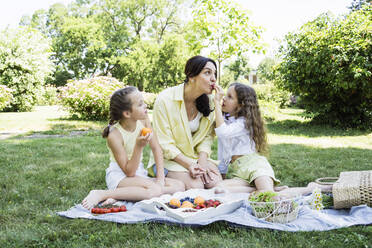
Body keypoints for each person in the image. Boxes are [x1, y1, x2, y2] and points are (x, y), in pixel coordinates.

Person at [212, 83, 331, 197]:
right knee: (219, 188)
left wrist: (216, 103)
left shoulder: (243, 123)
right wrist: (222, 173)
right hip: (240, 172)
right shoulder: (225, 122)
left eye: (230, 97)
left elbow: (222, 133)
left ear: (241, 105)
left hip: (255, 166)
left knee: (269, 196)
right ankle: (262, 189)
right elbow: (223, 151)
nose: (224, 99)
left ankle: (311, 188)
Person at [82, 87, 185, 209]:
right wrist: (138, 146)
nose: (145, 106)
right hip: (120, 176)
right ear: (127, 113)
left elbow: (157, 149)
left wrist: (160, 179)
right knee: (154, 190)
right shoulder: (114, 135)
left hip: (138, 174)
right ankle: (103, 193)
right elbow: (129, 171)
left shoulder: (144, 121)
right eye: (140, 104)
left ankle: (126, 195)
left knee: (179, 185)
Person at [151, 55, 223, 190]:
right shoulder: (165, 100)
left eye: (214, 73)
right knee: (196, 186)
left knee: (215, 184)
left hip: (196, 158)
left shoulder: (211, 102)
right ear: (191, 76)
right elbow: (164, 143)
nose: (213, 79)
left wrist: (201, 163)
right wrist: (189, 164)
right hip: (168, 160)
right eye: (207, 73)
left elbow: (207, 137)